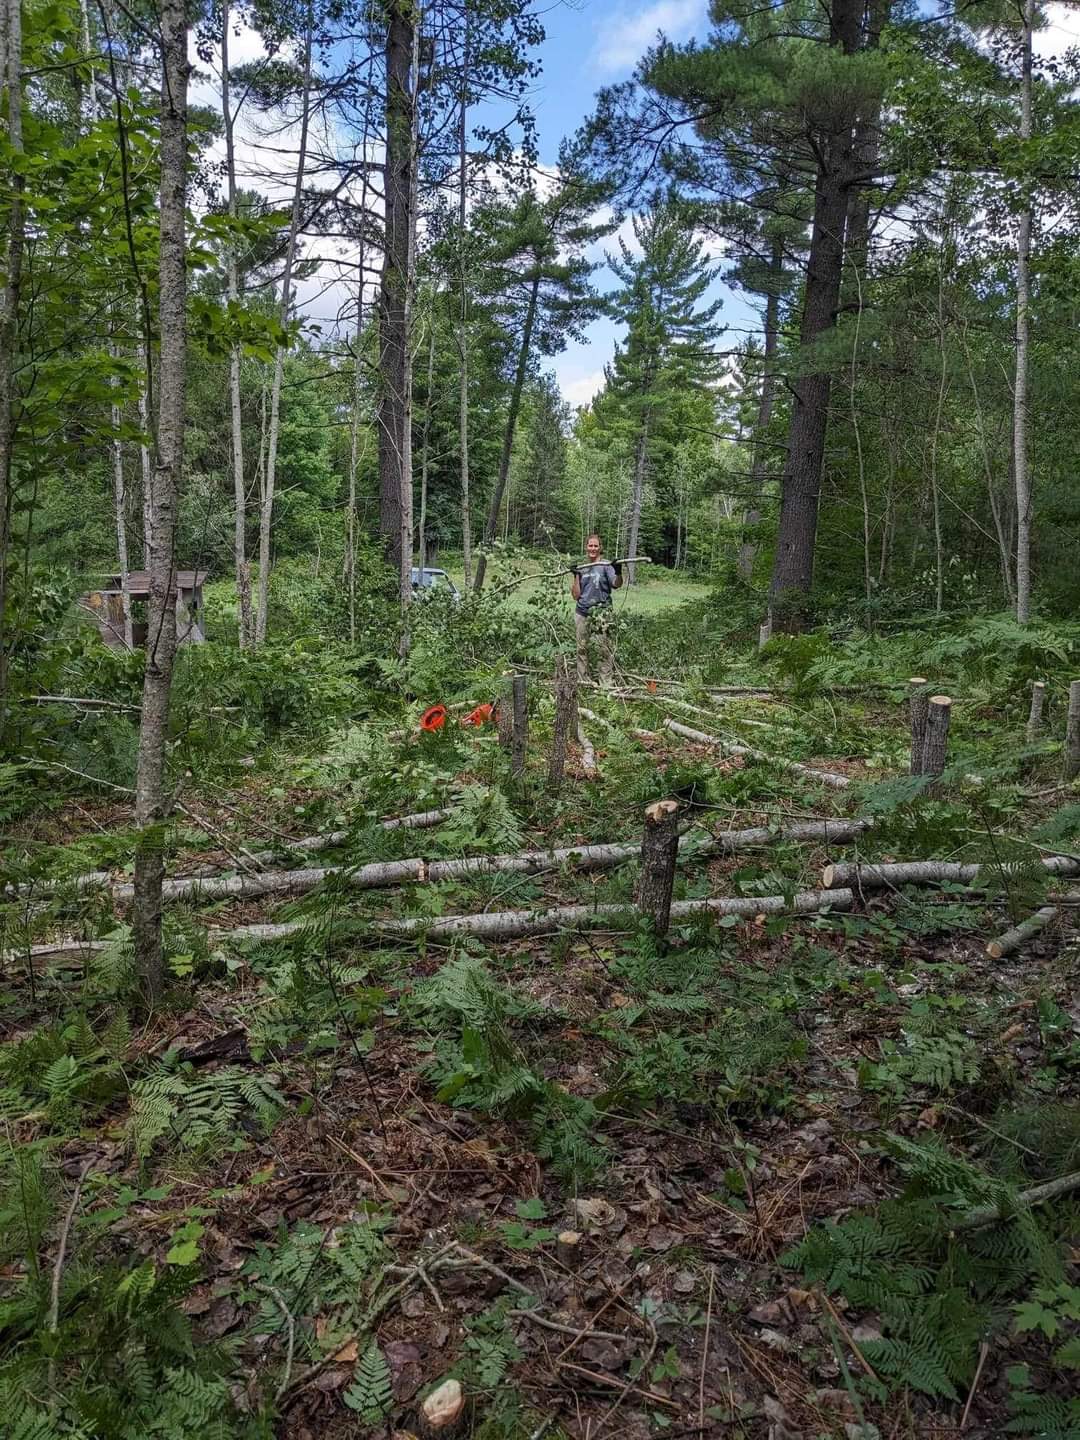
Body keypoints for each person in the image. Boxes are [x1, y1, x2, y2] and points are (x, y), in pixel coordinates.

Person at [571, 534, 623, 684]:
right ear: (586, 547)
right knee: (581, 649)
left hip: (602, 614)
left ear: (600, 548)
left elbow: (617, 584)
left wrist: (618, 572)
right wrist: (575, 575)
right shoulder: (582, 568)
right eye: (590, 545)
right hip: (582, 613)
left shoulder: (606, 566)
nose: (593, 548)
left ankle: (605, 684)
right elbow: (576, 596)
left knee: (604, 649)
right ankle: (583, 681)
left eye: (595, 546)